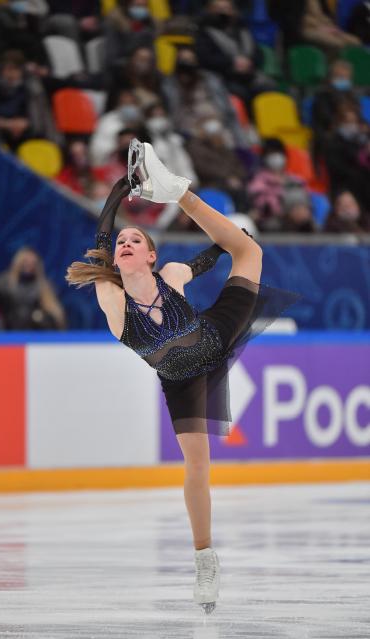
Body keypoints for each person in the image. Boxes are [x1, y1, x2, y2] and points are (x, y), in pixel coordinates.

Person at [65, 140, 299, 614]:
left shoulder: (172, 274)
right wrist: (117, 192)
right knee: (197, 465)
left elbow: (211, 260)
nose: (127, 243)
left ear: (151, 257)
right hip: (179, 378)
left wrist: (225, 237)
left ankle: (179, 193)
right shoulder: (112, 300)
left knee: (248, 251)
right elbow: (101, 240)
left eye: (138, 241)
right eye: (123, 242)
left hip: (213, 334)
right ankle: (204, 558)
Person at [0, 247, 66, 329]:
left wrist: (41, 316)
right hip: (8, 333)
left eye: (33, 263)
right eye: (25, 262)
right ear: (18, 262)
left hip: (34, 334)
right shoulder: (4, 283)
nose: (29, 265)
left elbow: (56, 315)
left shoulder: (43, 287)